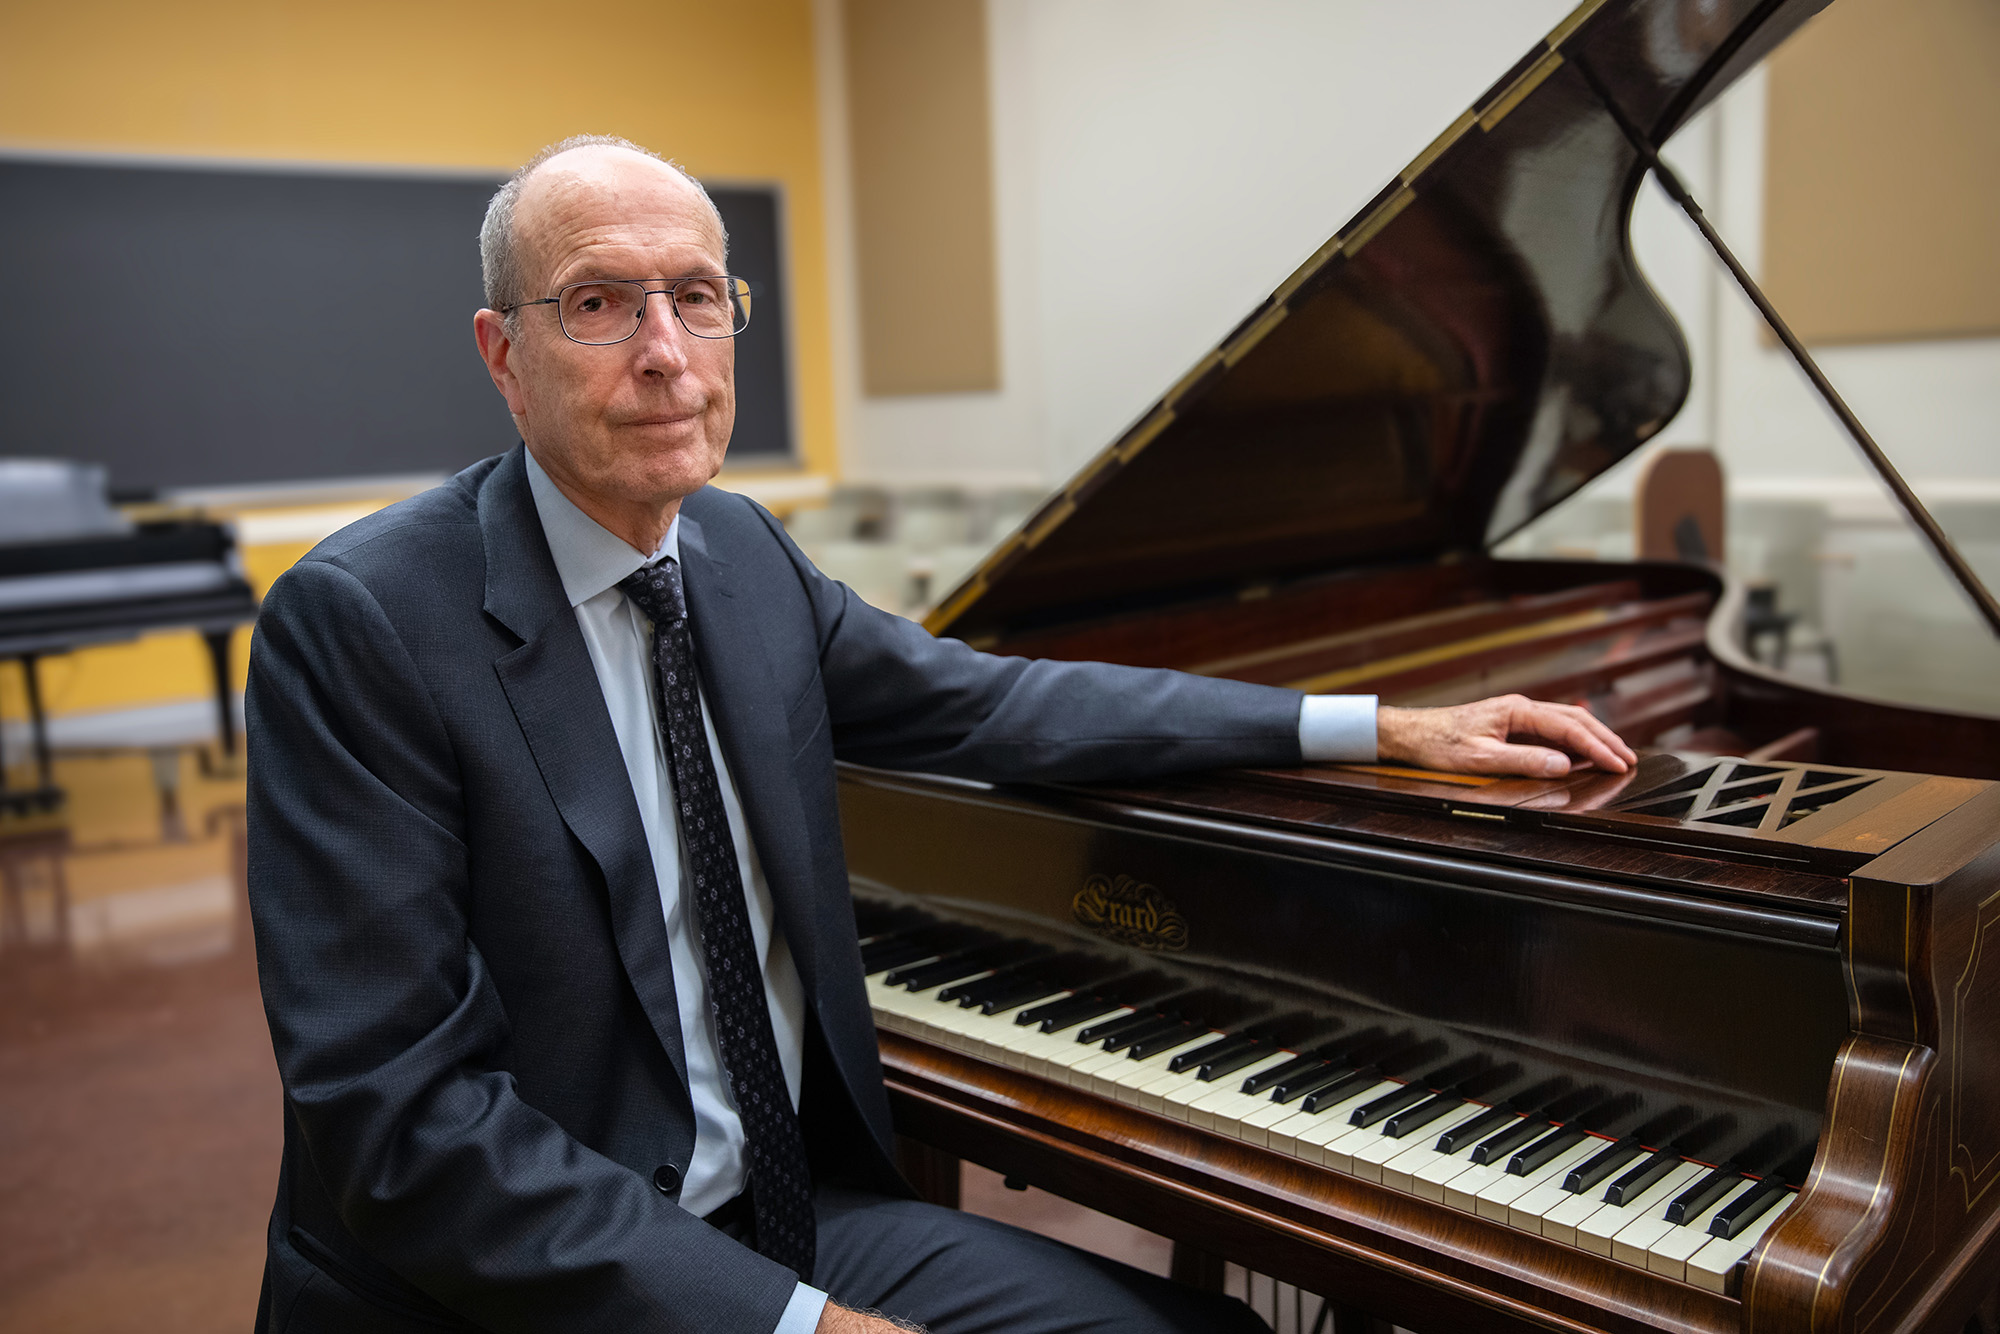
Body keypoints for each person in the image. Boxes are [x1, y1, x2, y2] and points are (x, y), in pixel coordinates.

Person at [246, 135, 1634, 1334]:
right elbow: (407, 1128)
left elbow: (997, 703)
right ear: (505, 353)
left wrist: (1376, 724)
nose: (666, 353)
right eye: (601, 303)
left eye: (695, 299)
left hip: (783, 1214)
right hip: (530, 1285)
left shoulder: (734, 554)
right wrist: (799, 1325)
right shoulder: (364, 623)